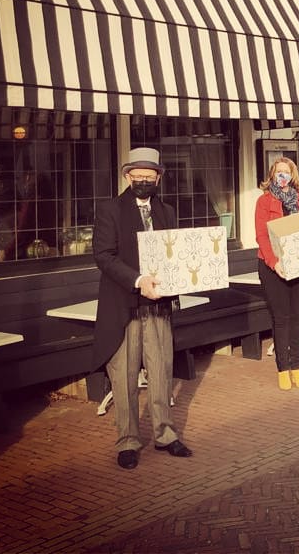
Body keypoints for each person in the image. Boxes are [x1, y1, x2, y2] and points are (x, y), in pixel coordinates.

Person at [91, 147, 192, 470]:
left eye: (150, 177)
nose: (144, 181)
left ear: (159, 177)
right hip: (124, 306)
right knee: (124, 376)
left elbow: (174, 255)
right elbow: (103, 256)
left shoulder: (168, 211)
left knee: (162, 371)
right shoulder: (110, 211)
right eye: (139, 176)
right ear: (127, 176)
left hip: (159, 307)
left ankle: (165, 434)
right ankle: (128, 440)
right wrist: (137, 281)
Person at [255, 157, 299, 391]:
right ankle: (282, 369)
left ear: (292, 175)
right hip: (273, 267)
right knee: (281, 318)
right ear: (272, 175)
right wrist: (273, 261)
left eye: (286, 172)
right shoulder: (263, 201)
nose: (282, 176)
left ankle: (297, 366)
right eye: (278, 172)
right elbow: (261, 235)